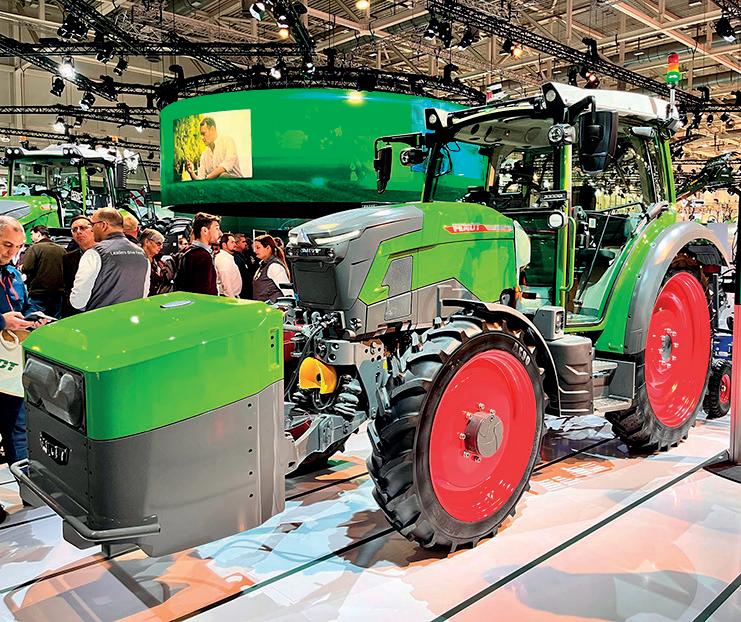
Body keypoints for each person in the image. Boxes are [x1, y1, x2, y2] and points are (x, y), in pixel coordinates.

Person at [0, 216, 48, 524]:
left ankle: (30, 492)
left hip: (10, 365)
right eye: (7, 245)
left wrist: (34, 316)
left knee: (18, 428)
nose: (12, 252)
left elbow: (24, 303)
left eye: (17, 247)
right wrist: (2, 321)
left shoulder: (14, 273)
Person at [70, 208, 150, 312]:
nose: (92, 229)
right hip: (132, 316)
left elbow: (78, 301)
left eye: (93, 224)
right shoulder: (142, 253)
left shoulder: (94, 253)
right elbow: (144, 292)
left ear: (104, 225)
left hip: (100, 318)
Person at [21, 225, 66, 318]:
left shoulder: (35, 248)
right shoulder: (62, 249)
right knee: (54, 321)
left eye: (32, 234)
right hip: (58, 294)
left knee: (33, 320)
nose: (31, 237)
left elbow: (27, 268)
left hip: (39, 293)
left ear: (38, 234)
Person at [174, 212, 222, 295]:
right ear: (204, 230)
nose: (220, 233)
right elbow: (203, 292)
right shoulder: (203, 256)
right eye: (217, 229)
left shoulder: (188, 251)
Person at [62, 215, 96, 317]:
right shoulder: (68, 258)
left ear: (93, 229)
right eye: (74, 230)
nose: (78, 232)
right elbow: (68, 287)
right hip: (76, 313)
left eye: (83, 228)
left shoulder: (105, 254)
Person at [252, 234, 293, 303]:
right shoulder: (263, 264)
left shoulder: (274, 266)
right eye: (254, 248)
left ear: (268, 248)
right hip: (264, 307)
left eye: (258, 247)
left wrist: (289, 306)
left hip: (272, 308)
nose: (254, 250)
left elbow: (288, 291)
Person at [141, 228, 175, 296]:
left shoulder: (159, 261)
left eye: (162, 244)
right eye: (158, 244)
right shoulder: (139, 261)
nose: (161, 247)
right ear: (147, 242)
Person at [214, 233, 242, 298]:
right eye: (232, 242)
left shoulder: (227, 257)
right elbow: (226, 282)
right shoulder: (223, 258)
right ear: (224, 245)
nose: (235, 245)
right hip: (228, 297)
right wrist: (232, 299)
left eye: (235, 242)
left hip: (231, 296)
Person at [233, 233, 256, 299]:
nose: (245, 244)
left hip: (248, 289)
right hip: (242, 291)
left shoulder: (243, 255)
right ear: (237, 243)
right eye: (243, 242)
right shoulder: (235, 258)